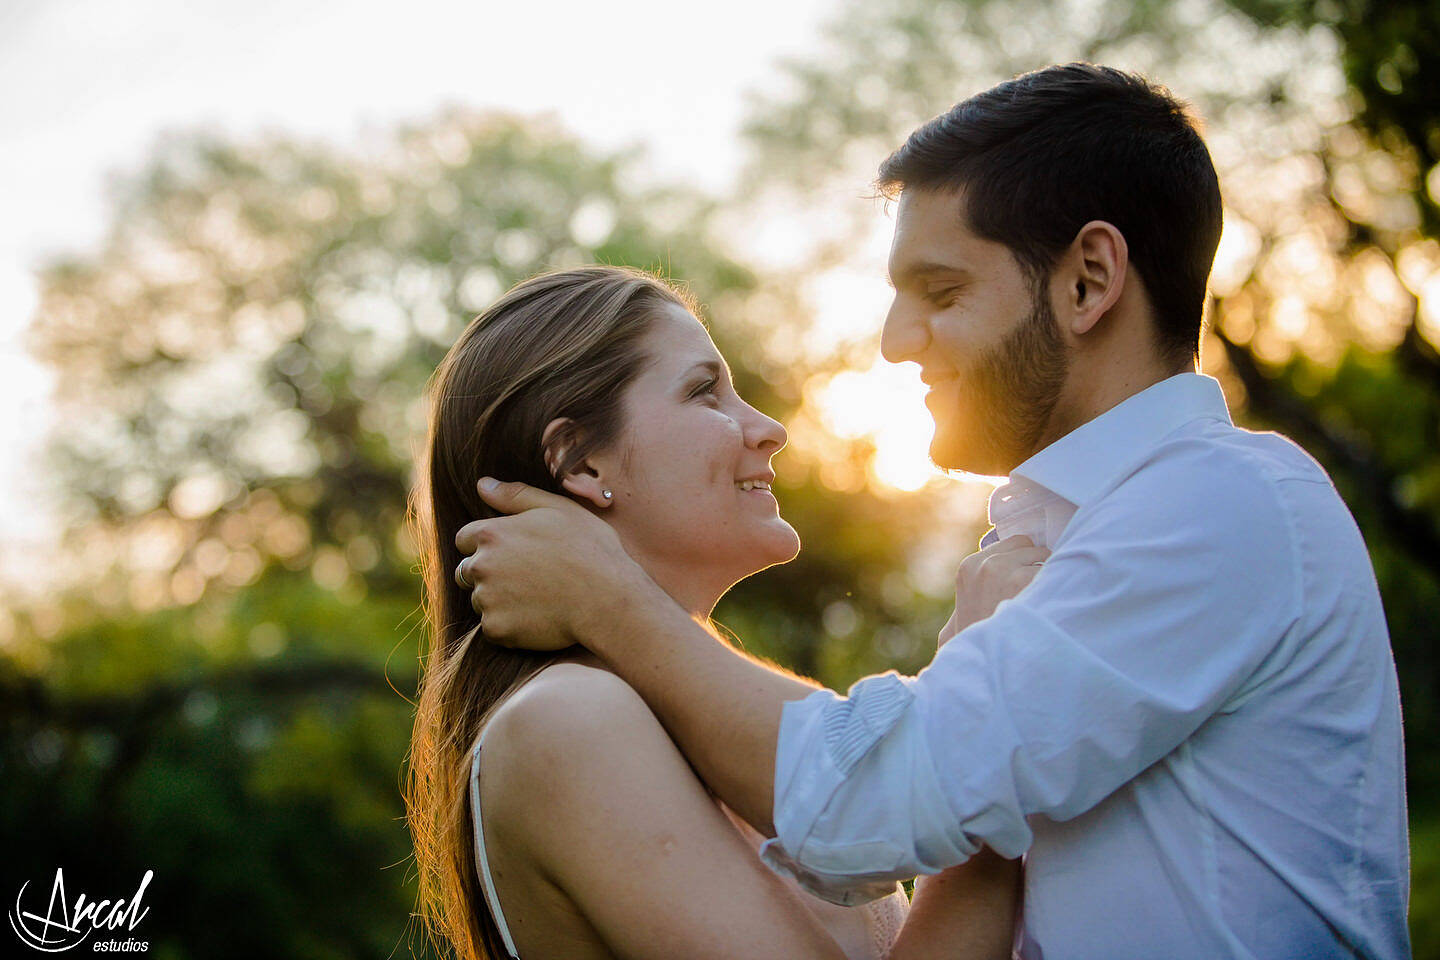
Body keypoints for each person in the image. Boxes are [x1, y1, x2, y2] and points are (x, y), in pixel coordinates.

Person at [453, 64, 1411, 958]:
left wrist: (607, 597)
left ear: (1089, 281)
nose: (895, 341)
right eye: (707, 393)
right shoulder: (1064, 545)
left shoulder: (1218, 501)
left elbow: (871, 798)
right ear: (576, 462)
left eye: (940, 291)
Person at [405, 265, 1021, 960]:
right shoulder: (568, 719)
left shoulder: (712, 709)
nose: (769, 429)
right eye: (705, 391)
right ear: (580, 462)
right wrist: (998, 741)